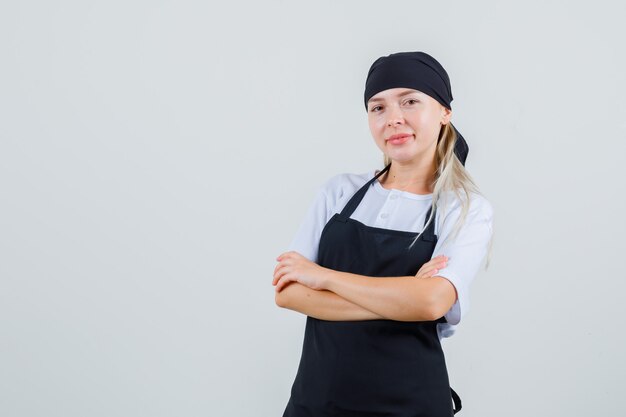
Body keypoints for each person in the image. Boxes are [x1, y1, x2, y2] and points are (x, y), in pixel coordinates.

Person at [272, 51, 494, 417]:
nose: (393, 118)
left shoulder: (465, 208)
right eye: (378, 108)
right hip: (316, 403)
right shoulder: (338, 193)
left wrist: (323, 278)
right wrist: (403, 297)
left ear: (444, 113)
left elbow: (431, 303)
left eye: (410, 101)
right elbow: (288, 293)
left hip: (411, 405)